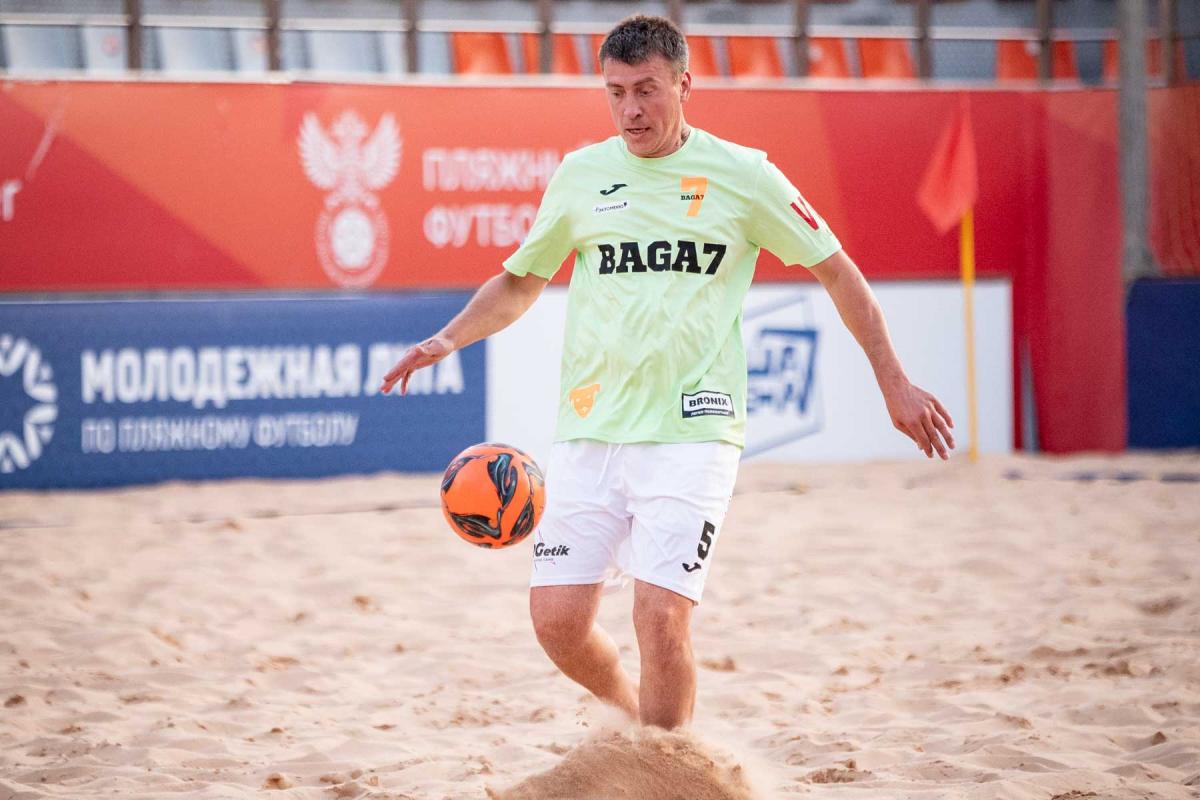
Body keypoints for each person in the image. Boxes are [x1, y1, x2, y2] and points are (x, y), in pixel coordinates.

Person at [380, 15, 954, 730]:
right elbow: (522, 281)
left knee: (659, 618)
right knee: (556, 622)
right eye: (616, 92)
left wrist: (893, 381)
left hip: (695, 432)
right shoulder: (581, 174)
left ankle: (664, 764)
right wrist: (448, 338)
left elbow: (838, 272)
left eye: (646, 89)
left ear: (685, 84)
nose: (631, 110)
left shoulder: (745, 175)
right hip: (590, 428)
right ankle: (640, 733)